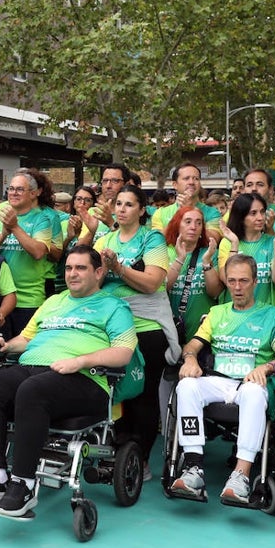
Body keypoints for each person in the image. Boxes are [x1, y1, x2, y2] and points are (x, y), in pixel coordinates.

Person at [0, 245, 139, 518]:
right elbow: (27, 339)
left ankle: (23, 484)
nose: (72, 274)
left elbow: (124, 352)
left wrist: (81, 361)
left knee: (33, 390)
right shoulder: (53, 302)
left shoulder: (114, 306)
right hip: (35, 368)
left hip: (85, 379)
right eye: (68, 268)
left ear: (99, 272)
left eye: (81, 268)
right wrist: (5, 345)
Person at [171, 254, 275, 503]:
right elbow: (193, 345)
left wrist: (268, 367)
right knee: (186, 386)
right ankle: (193, 467)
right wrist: (190, 359)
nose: (237, 287)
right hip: (218, 380)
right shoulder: (216, 313)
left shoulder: (272, 316)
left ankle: (241, 475)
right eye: (232, 281)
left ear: (255, 281)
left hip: (251, 383)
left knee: (251, 392)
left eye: (243, 281)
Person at [94, 184, 180, 471]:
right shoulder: (104, 239)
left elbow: (152, 283)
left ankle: (140, 458)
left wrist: (118, 270)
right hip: (111, 327)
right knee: (116, 392)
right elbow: (92, 283)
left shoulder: (151, 238)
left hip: (146, 327)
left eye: (129, 204)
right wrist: (103, 271)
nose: (121, 209)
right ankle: (118, 452)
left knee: (142, 394)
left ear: (142, 210)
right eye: (118, 203)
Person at [0, 169, 55, 339]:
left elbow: (39, 252)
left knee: (23, 352)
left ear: (32, 194)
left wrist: (15, 227)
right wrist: (3, 234)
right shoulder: (2, 210)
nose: (13, 193)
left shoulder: (42, 219)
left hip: (28, 299)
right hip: (0, 297)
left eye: (19, 189)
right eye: (11, 188)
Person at [218, 193, 275, 307]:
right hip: (235, 317)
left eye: (262, 212)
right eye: (253, 213)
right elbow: (226, 279)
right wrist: (234, 244)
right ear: (241, 217)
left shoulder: (273, 242)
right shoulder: (228, 243)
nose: (260, 217)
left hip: (265, 315)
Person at [164, 205, 223, 344]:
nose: (193, 227)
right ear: (177, 225)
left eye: (198, 222)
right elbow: (162, 286)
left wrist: (207, 262)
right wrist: (180, 259)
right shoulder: (165, 251)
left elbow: (214, 292)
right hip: (170, 327)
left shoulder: (210, 252)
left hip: (202, 327)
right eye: (188, 221)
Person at [151, 162, 223, 238]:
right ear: (175, 184)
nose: (191, 182)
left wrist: (191, 210)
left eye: (196, 179)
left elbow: (214, 238)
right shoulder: (160, 213)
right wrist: (180, 214)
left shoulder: (213, 212)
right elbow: (157, 240)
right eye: (186, 178)